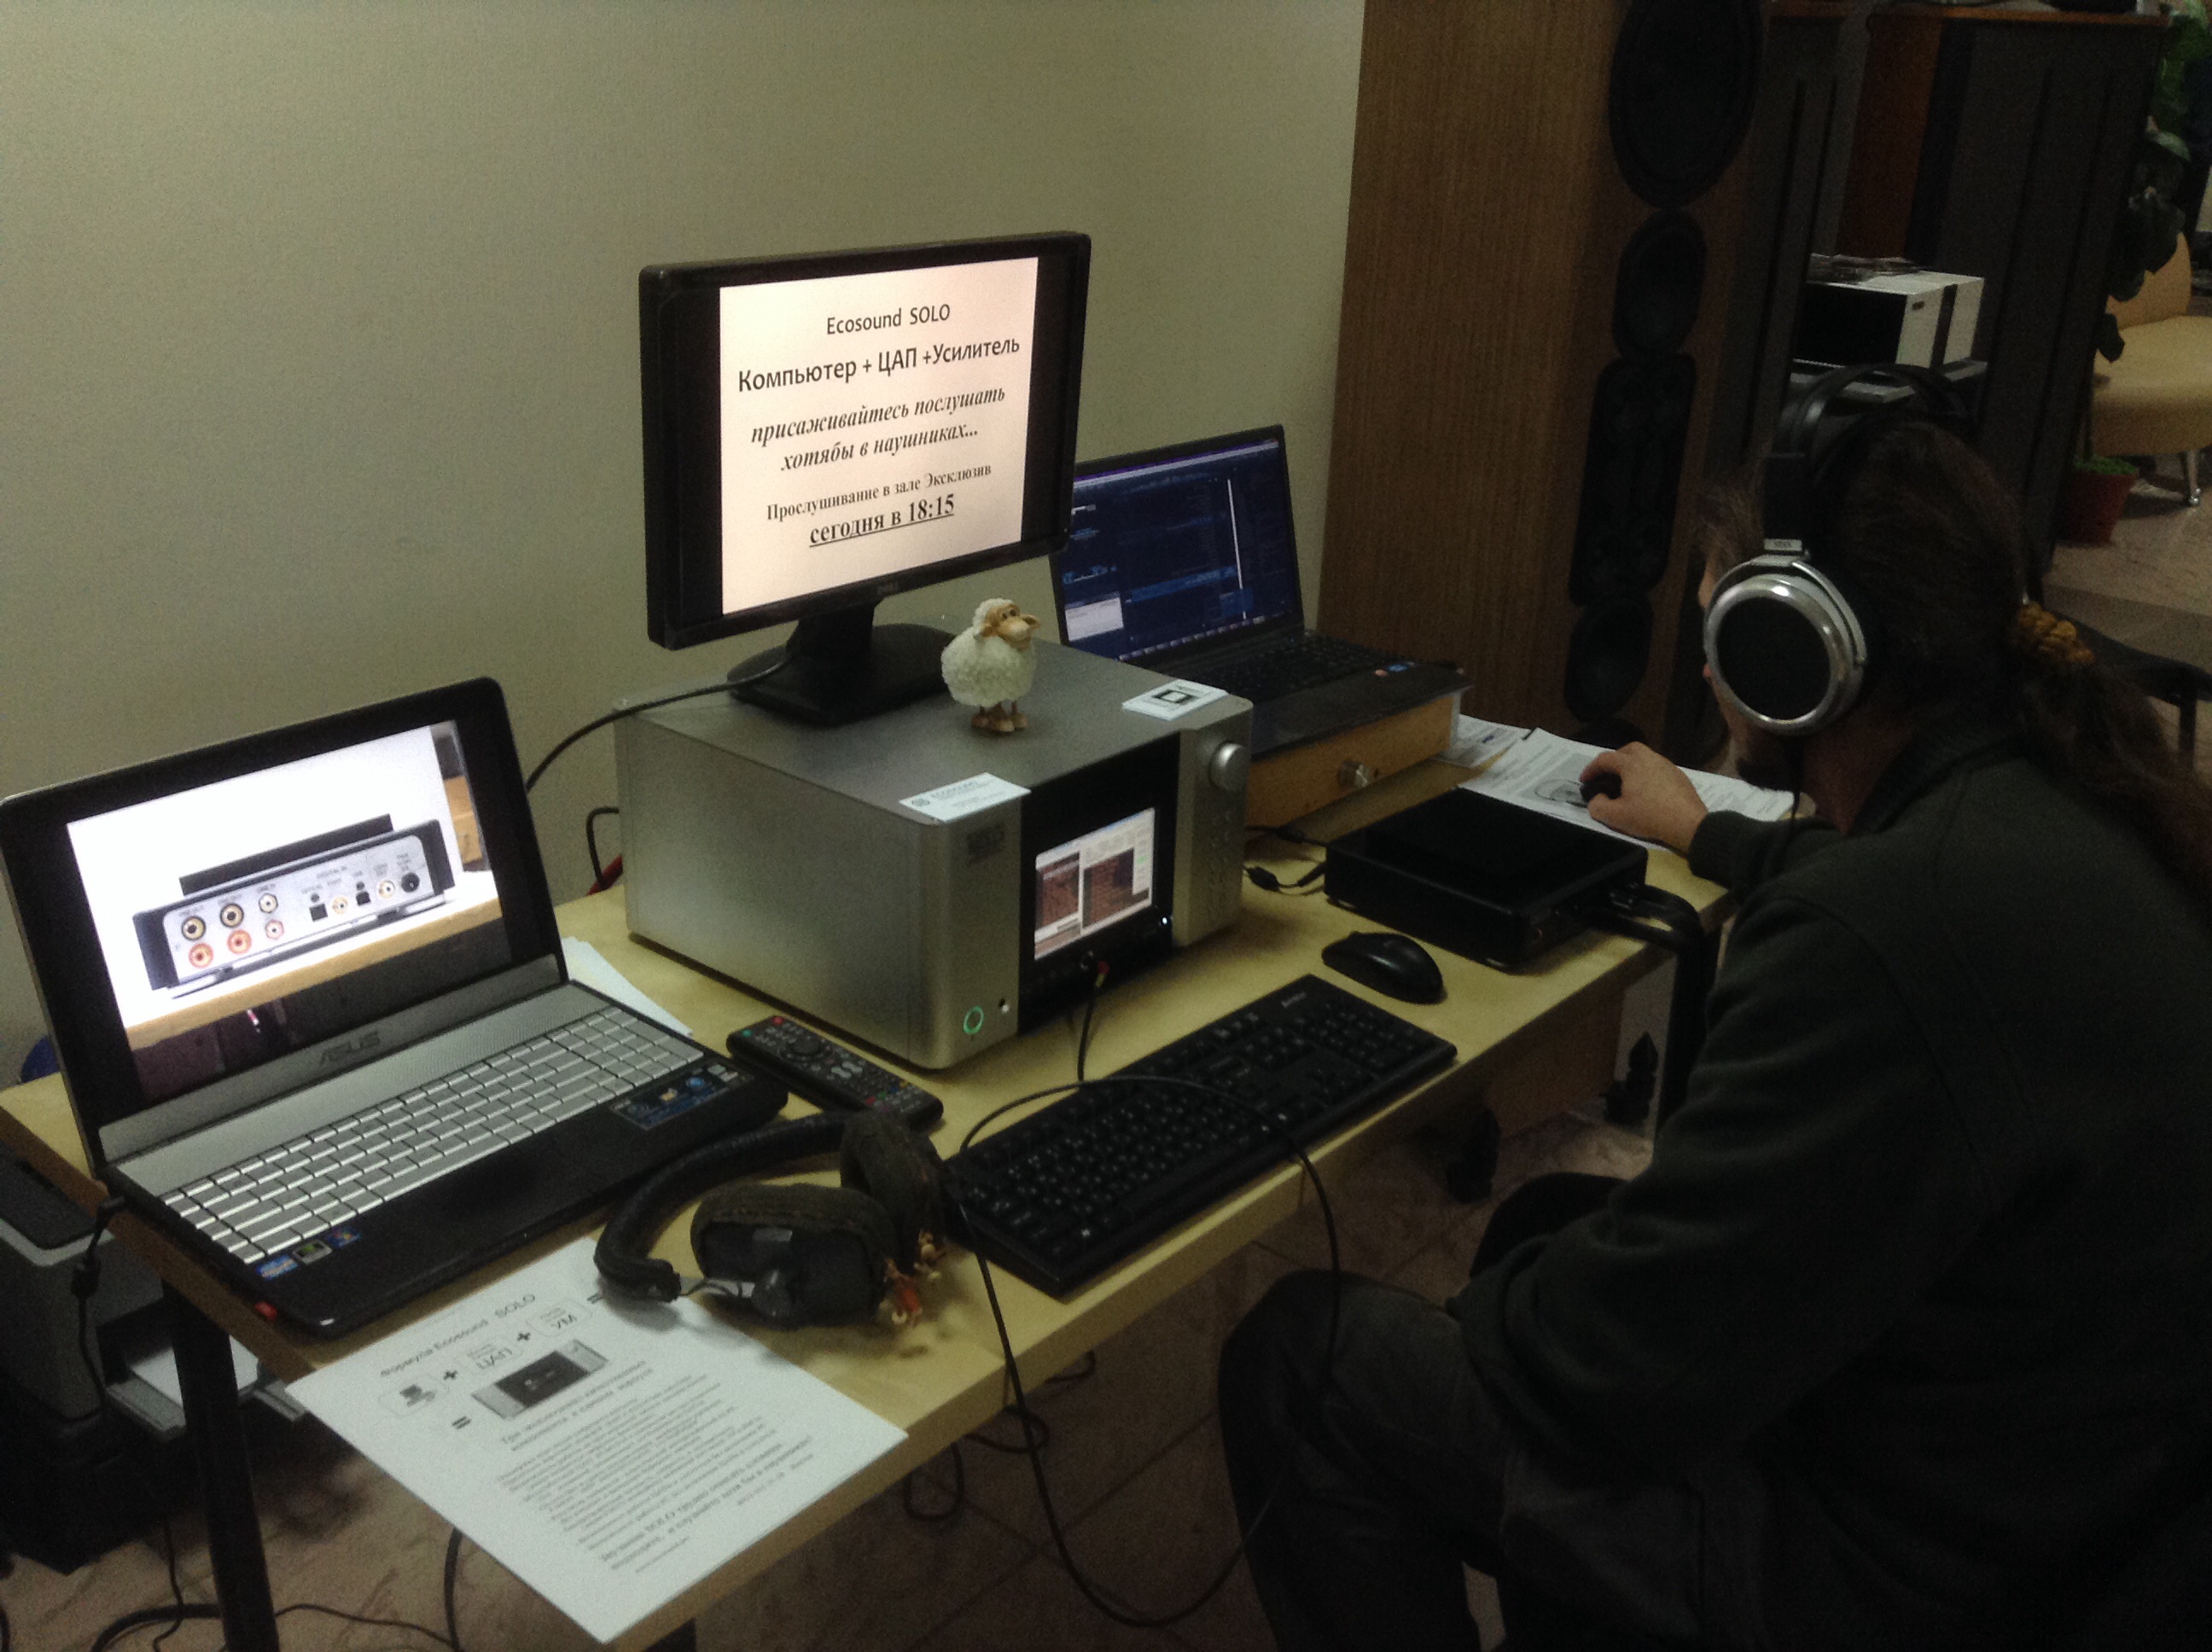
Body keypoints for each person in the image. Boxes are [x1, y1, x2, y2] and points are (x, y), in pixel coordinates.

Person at [1216, 414, 2212, 1652]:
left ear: (1800, 655)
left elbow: (1620, 1362)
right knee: (1543, 1216)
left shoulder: (1872, 939)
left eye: (1720, 634)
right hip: (2077, 1500)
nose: (1701, 669)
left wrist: (1484, 1334)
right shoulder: (2070, 798)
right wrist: (1705, 832)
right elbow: (1874, 890)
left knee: (1306, 1363)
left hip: (1897, 1576)